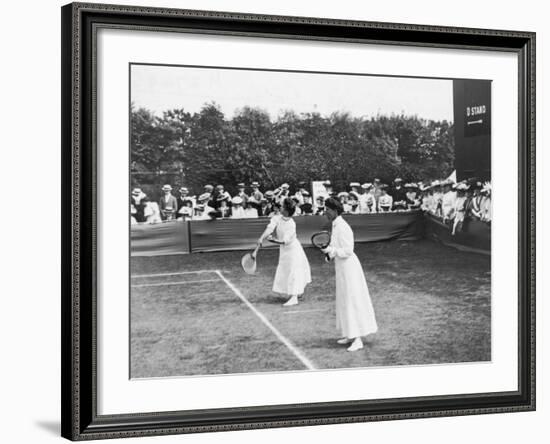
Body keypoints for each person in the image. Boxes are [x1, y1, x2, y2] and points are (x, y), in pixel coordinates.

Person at [320, 198, 378, 352]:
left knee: (352, 300)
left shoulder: (343, 227)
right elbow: (335, 247)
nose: (325, 211)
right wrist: (329, 253)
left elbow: (348, 250)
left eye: (327, 209)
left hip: (350, 268)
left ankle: (358, 339)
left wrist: (332, 251)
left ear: (334, 210)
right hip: (341, 268)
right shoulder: (335, 225)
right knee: (344, 300)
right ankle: (349, 334)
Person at [257, 198, 311, 307]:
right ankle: (297, 291)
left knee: (294, 271)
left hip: (293, 250)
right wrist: (261, 238)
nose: (280, 207)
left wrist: (273, 240)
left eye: (282, 206)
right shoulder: (277, 218)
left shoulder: (291, 224)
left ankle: (294, 297)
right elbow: (270, 228)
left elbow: (285, 241)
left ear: (286, 210)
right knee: (286, 270)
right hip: (285, 251)